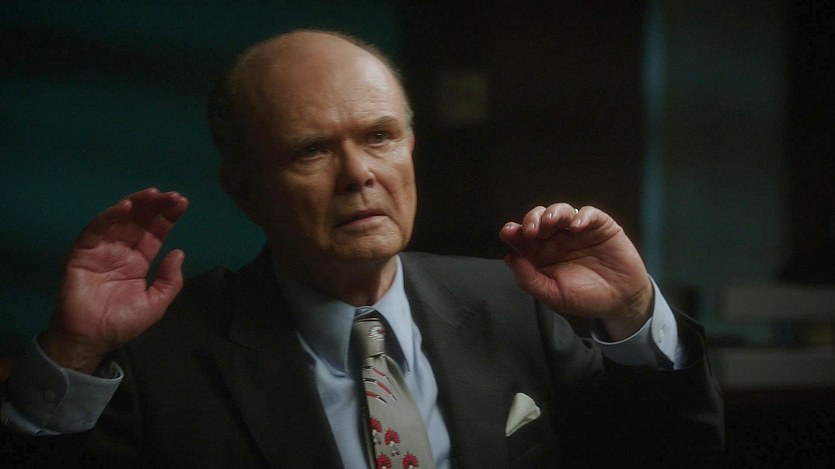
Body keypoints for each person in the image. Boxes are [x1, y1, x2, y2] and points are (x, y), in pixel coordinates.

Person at [1, 30, 723, 468]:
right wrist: (72, 353)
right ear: (245, 190)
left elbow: (670, 456)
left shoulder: (516, 304)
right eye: (312, 150)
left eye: (379, 136)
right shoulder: (163, 352)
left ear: (410, 148)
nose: (358, 175)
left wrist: (633, 313)